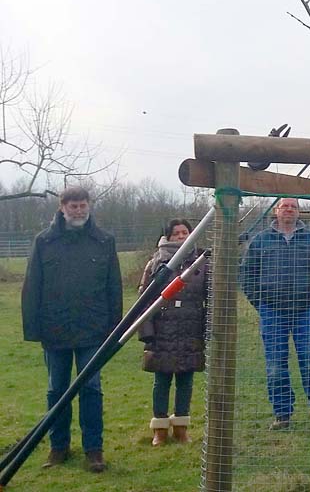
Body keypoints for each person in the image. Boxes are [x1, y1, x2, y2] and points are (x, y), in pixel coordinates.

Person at [21, 186, 122, 473]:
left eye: (82, 205)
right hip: (55, 330)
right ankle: (58, 447)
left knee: (91, 388)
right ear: (61, 207)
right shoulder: (44, 242)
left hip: (94, 329)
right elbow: (32, 287)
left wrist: (115, 329)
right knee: (57, 391)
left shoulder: (104, 241)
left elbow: (114, 287)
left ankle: (94, 450)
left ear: (89, 206)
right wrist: (34, 328)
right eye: (73, 206)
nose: (78, 210)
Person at [239, 197, 310, 430]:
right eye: (284, 206)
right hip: (272, 312)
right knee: (275, 365)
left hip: (305, 312)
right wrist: (261, 303)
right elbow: (247, 276)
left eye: (293, 206)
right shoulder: (260, 241)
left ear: (299, 213)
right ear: (276, 211)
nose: (289, 209)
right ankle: (282, 414)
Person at [138, 218, 208, 446]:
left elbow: (213, 296)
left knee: (185, 381)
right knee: (162, 381)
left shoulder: (202, 262)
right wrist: (147, 332)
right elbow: (144, 300)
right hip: (162, 331)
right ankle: (159, 428)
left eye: (185, 232)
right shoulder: (156, 263)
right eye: (176, 233)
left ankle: (181, 427)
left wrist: (208, 330)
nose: (180, 236)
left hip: (191, 329)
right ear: (167, 237)